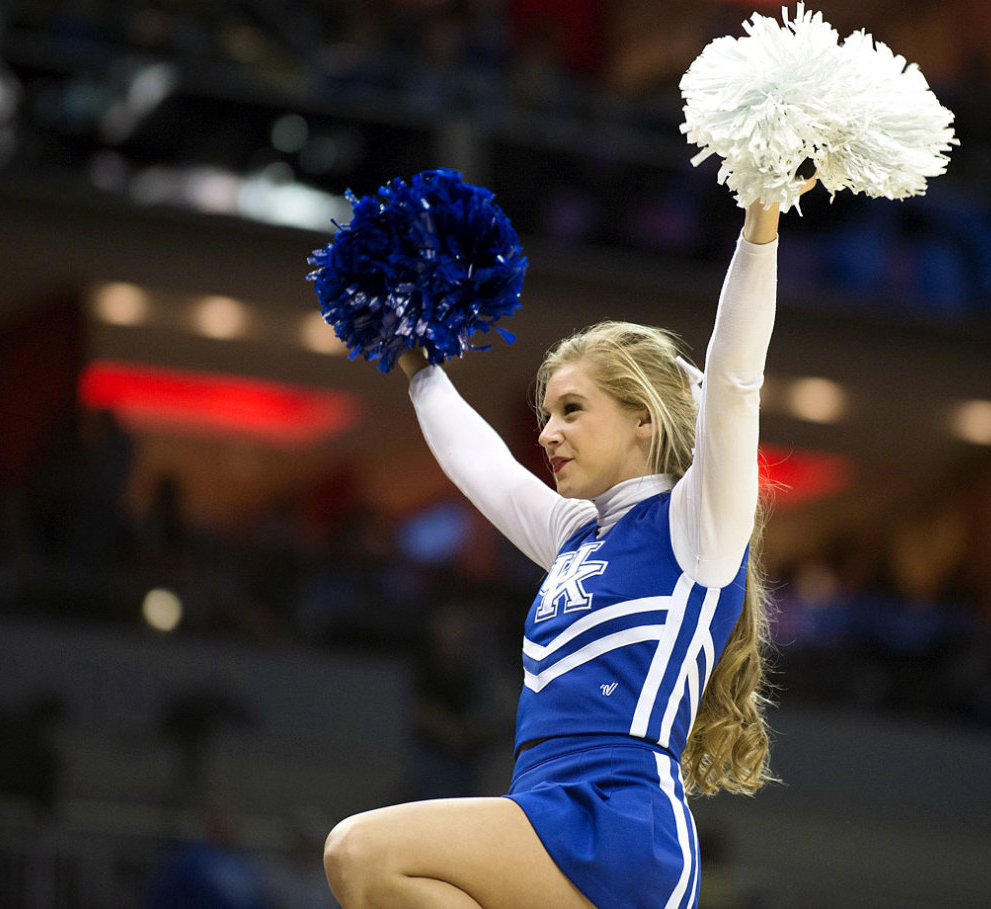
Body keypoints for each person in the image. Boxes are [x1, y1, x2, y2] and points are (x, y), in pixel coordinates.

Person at [323, 184, 814, 909]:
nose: (548, 432)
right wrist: (416, 359)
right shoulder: (574, 536)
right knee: (374, 869)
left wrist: (761, 223)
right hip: (545, 811)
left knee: (361, 853)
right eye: (547, 413)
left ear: (643, 420)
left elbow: (736, 379)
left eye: (572, 410)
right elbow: (481, 466)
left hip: (619, 825)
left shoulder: (696, 528)